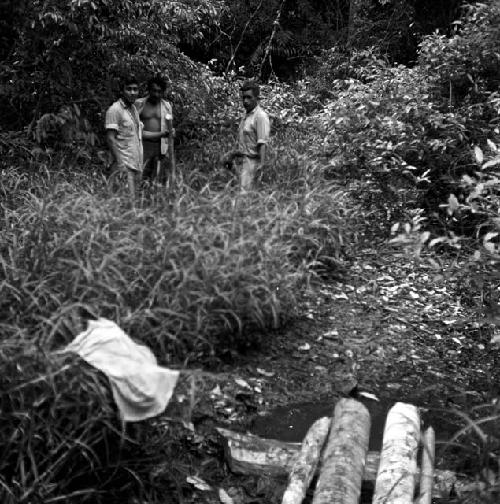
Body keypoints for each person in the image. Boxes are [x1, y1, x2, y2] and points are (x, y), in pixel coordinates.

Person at [222, 80, 270, 191]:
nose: (245, 101)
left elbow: (262, 142)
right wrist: (232, 155)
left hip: (252, 163)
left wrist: (261, 166)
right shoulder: (246, 116)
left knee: (246, 198)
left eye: (249, 97)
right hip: (242, 162)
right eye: (243, 98)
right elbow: (244, 141)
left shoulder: (260, 116)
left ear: (257, 98)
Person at [105, 75, 143, 199]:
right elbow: (111, 139)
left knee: (134, 205)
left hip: (135, 165)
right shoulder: (115, 110)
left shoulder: (133, 109)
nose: (132, 92)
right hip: (124, 166)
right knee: (126, 204)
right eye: (129, 89)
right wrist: (120, 164)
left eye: (135, 89)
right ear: (122, 91)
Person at [135, 75, 174, 184]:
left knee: (158, 179)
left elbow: (169, 127)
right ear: (149, 90)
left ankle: (154, 200)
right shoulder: (139, 104)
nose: (156, 94)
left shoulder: (167, 106)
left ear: (163, 92)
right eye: (154, 91)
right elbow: (134, 127)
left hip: (160, 147)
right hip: (143, 145)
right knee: (141, 177)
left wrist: (171, 133)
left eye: (159, 91)